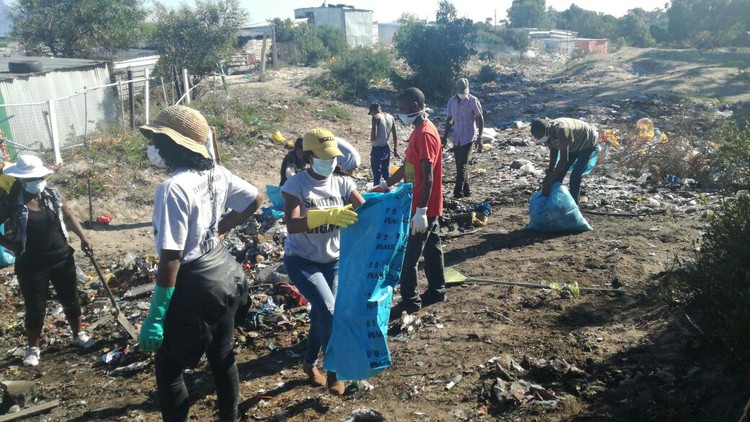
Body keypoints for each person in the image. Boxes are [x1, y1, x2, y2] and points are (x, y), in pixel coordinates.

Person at [139, 105, 262, 422]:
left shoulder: (173, 188)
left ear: (172, 145)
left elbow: (171, 258)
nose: (152, 146)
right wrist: (220, 229)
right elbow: (255, 199)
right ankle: (229, 417)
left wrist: (156, 314)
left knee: (169, 369)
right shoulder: (216, 172)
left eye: (156, 139)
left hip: (194, 284)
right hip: (224, 274)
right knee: (222, 357)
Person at [281, 128, 365, 395]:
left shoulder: (342, 183)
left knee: (321, 314)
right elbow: (292, 224)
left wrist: (389, 202)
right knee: (329, 311)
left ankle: (309, 364)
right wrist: (325, 216)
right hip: (302, 260)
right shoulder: (296, 185)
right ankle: (334, 371)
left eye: (332, 158)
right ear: (308, 156)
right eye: (323, 157)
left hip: (333, 260)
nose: (330, 162)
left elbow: (363, 208)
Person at [0, 155, 94, 367]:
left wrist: (84, 237)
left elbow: (69, 216)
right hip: (31, 263)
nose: (38, 180)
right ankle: (33, 348)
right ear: (22, 180)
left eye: (40, 176)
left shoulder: (52, 194)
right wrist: (12, 246)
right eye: (33, 178)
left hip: (61, 256)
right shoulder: (12, 202)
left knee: (70, 298)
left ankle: (79, 335)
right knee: (35, 307)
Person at [379, 87, 446, 317]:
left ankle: (411, 300)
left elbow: (427, 176)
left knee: (409, 256)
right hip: (424, 204)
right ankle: (437, 290)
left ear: (415, 107)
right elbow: (409, 167)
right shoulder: (418, 132)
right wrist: (386, 183)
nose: (400, 113)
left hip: (422, 206)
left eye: (402, 109)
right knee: (433, 249)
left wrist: (421, 211)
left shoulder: (426, 134)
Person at [531, 118, 598, 204]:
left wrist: (550, 179)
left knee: (575, 176)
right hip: (572, 145)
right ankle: (555, 201)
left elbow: (563, 160)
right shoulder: (547, 134)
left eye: (539, 137)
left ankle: (574, 204)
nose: (539, 139)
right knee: (558, 176)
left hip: (587, 143)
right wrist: (550, 172)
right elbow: (553, 150)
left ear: (547, 130)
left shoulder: (563, 131)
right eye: (537, 138)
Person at [443, 78, 484, 199]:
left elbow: (480, 118)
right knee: (460, 165)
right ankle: (467, 190)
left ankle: (457, 193)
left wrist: (480, 137)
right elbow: (449, 120)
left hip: (468, 137)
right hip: (456, 138)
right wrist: (444, 137)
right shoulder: (452, 101)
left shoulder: (472, 100)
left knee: (462, 165)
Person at [368, 103, 399, 185]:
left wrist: (371, 136)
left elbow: (373, 138)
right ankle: (388, 192)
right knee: (386, 174)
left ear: (373, 111)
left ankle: (377, 195)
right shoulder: (390, 117)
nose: (371, 115)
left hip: (377, 150)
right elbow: (395, 135)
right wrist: (395, 150)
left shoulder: (375, 118)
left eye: (371, 113)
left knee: (376, 176)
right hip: (386, 149)